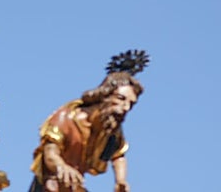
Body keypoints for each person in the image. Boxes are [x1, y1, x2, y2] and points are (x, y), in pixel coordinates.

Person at [29, 50, 148, 192]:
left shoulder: (111, 129)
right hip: (51, 183)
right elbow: (50, 152)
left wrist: (120, 181)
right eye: (121, 99)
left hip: (76, 185)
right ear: (105, 95)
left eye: (131, 104)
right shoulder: (67, 117)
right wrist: (62, 166)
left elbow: (118, 155)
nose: (126, 108)